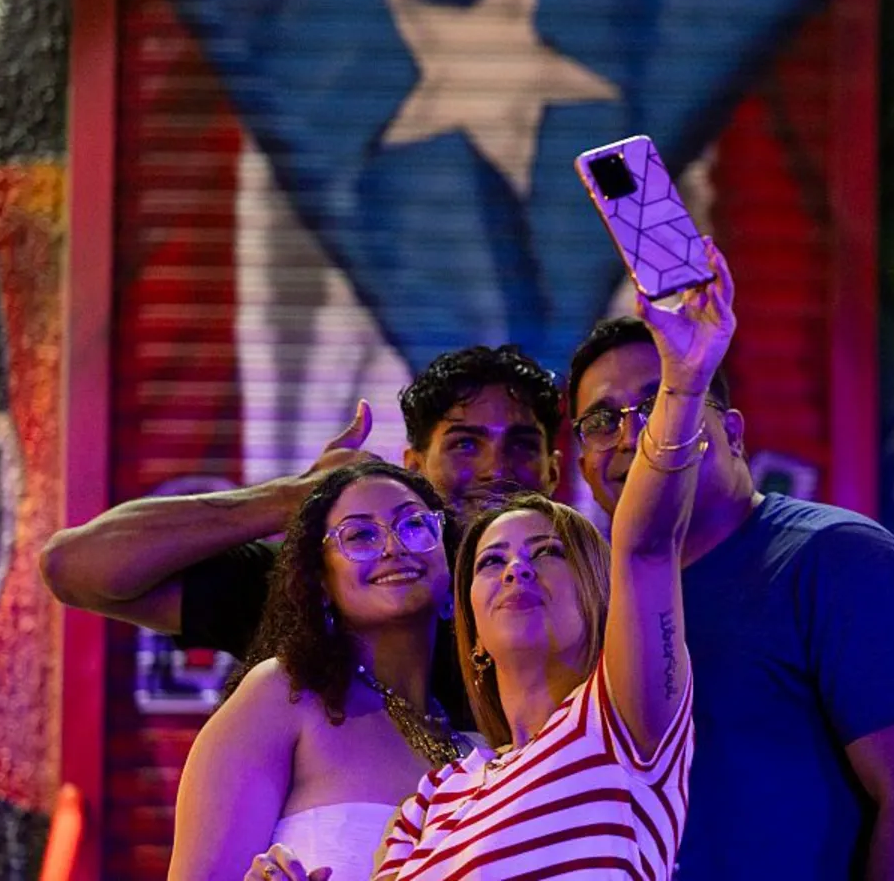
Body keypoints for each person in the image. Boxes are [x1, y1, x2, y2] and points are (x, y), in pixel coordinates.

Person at [253, 238, 734, 881]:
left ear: (600, 601)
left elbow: (646, 545)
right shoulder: (436, 796)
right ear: (469, 627)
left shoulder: (627, 730)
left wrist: (684, 382)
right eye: (489, 562)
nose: (517, 569)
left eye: (547, 551)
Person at [566, 309, 894, 877]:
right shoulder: (592, 602)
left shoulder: (839, 559)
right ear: (581, 462)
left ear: (732, 432)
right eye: (603, 420)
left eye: (666, 402)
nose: (635, 436)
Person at [39, 344, 563, 724]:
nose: (498, 468)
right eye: (466, 445)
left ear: (554, 473)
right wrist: (301, 498)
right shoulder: (318, 593)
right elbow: (76, 566)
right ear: (414, 469)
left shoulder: (595, 597)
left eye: (521, 444)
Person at [169, 461, 474, 881]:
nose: (392, 546)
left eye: (413, 525)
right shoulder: (284, 694)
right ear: (321, 585)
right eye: (360, 535)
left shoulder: (483, 747)